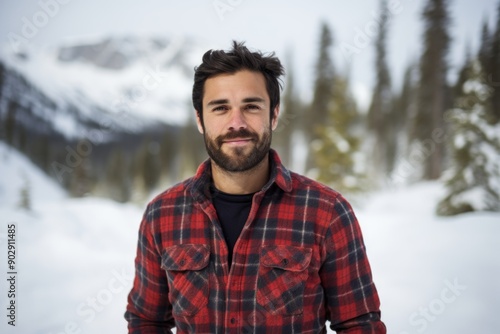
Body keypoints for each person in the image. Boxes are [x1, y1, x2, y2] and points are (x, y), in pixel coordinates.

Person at [125, 41, 386, 333]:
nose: (236, 123)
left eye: (251, 106)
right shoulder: (162, 214)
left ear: (273, 114)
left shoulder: (327, 213)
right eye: (220, 108)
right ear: (200, 120)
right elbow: (146, 321)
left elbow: (359, 324)